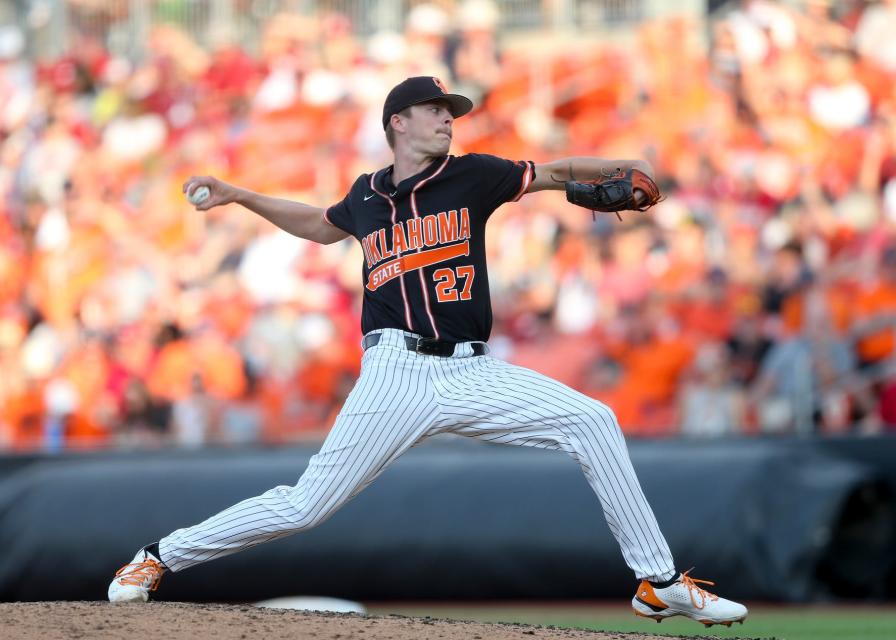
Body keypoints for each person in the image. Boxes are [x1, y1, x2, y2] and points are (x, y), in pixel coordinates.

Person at [107, 76, 747, 627]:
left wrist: (619, 168)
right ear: (399, 122)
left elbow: (555, 173)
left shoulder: (473, 174)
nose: (449, 118)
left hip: (469, 369)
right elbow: (315, 225)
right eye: (438, 109)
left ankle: (658, 584)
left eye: (452, 111)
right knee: (304, 506)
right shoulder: (364, 195)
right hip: (393, 372)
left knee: (594, 420)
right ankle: (158, 557)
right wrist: (241, 195)